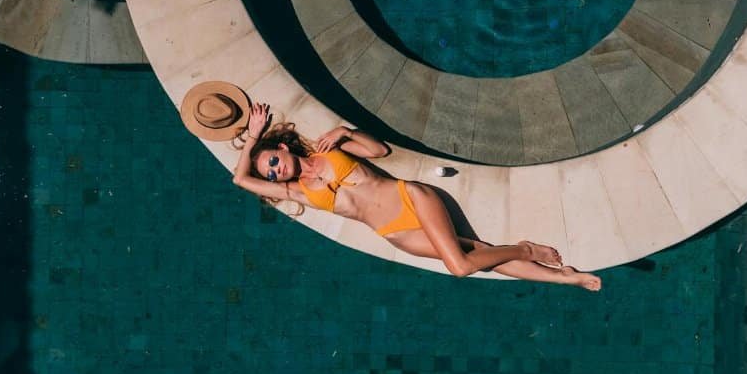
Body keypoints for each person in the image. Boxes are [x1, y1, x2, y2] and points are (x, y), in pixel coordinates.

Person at [229, 100, 601, 290]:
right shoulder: (299, 193)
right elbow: (240, 181)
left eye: (273, 160)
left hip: (411, 199)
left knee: (461, 266)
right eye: (271, 173)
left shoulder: (329, 150)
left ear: (282, 147)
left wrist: (344, 131)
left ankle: (526, 249)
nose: (276, 170)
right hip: (397, 232)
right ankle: (568, 278)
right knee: (478, 255)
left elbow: (378, 152)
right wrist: (250, 143)